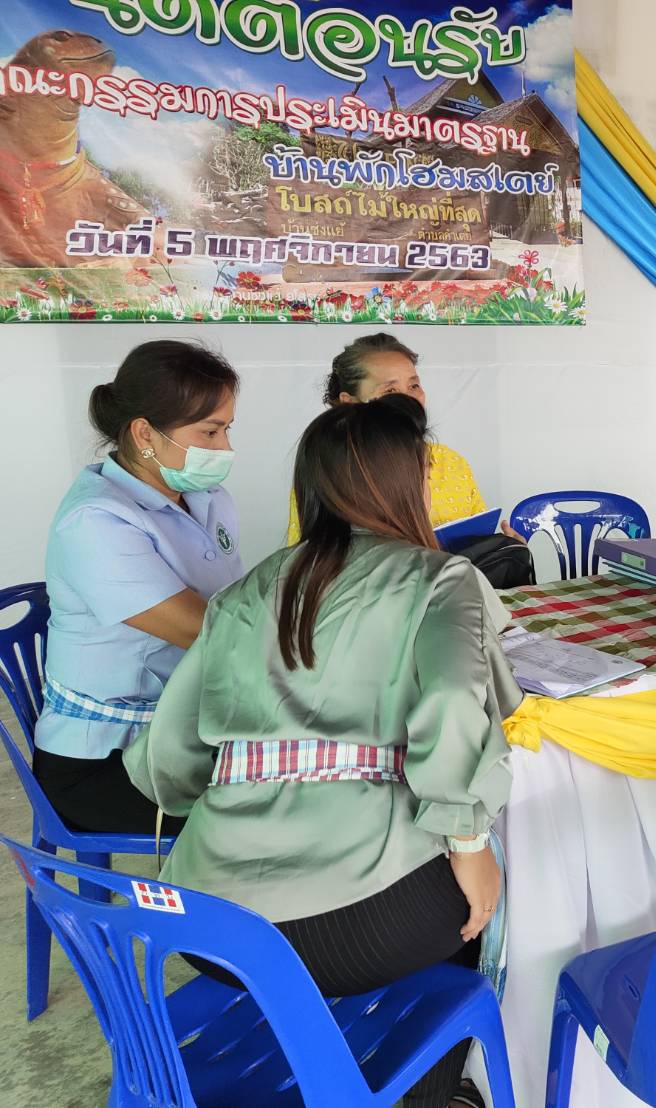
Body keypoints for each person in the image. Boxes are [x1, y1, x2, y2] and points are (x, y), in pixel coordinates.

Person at [126, 395, 517, 1108]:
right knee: (471, 906)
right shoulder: (439, 579)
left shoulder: (245, 593)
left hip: (209, 926)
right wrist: (470, 842)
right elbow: (457, 710)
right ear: (407, 483)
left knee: (431, 889)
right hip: (356, 926)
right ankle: (428, 1095)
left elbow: (166, 762)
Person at [35, 341, 243, 836]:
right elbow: (209, 632)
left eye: (227, 429)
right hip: (106, 762)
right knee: (272, 806)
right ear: (144, 432)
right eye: (210, 431)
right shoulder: (96, 520)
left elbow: (235, 607)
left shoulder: (207, 498)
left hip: (184, 727)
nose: (225, 448)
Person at [286, 333, 511, 542]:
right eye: (390, 391)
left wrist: (504, 550)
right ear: (350, 402)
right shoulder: (329, 475)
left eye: (414, 385)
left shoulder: (452, 462)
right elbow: (310, 563)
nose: (410, 399)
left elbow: (479, 543)